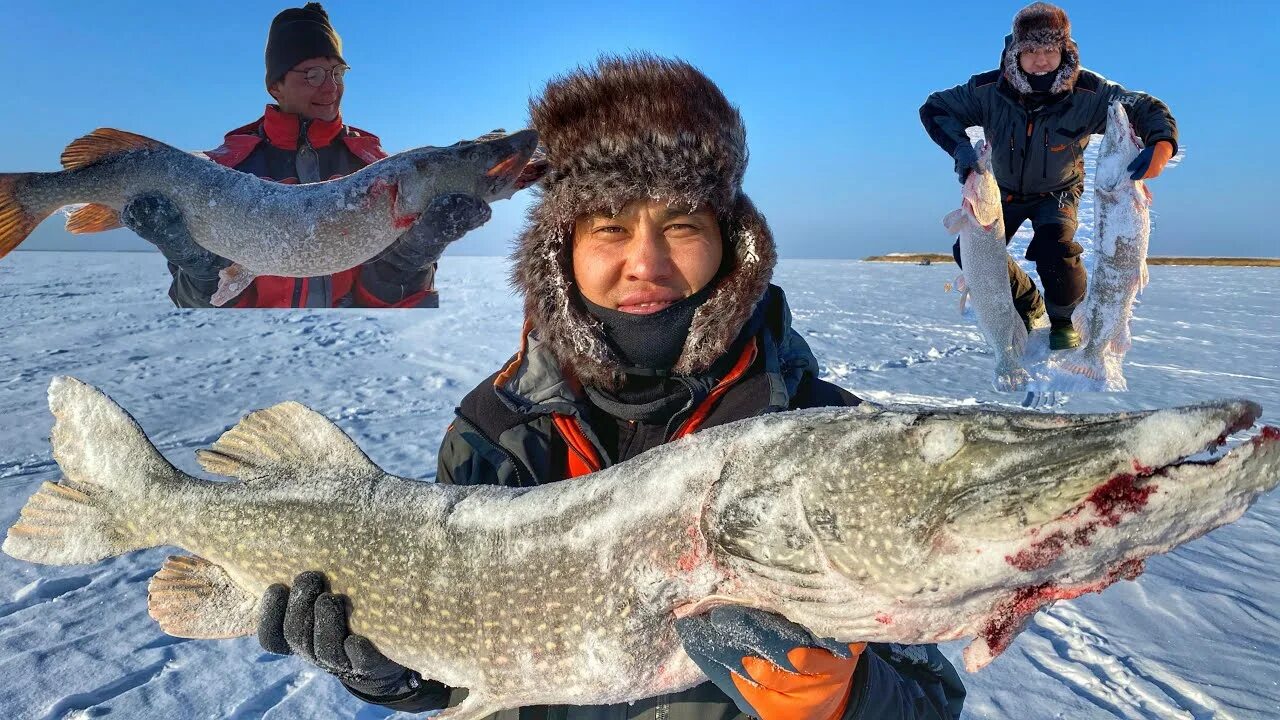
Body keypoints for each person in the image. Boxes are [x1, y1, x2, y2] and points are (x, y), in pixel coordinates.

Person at [255, 55, 967, 719]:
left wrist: (846, 702)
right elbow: (472, 676)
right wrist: (397, 672)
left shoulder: (833, 441)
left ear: (731, 242)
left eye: (682, 223)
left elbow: (933, 695)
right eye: (610, 227)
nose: (645, 262)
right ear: (562, 248)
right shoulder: (497, 435)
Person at [119, 2, 490, 308]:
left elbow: (390, 310)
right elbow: (198, 314)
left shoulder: (377, 170)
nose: (330, 87)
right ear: (275, 84)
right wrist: (200, 276)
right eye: (312, 74)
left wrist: (412, 262)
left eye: (337, 72)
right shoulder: (218, 171)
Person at [920, 2, 1178, 349]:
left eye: (1049, 49)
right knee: (968, 252)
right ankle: (1028, 304)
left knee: (1055, 250)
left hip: (1058, 190)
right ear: (1015, 51)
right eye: (1030, 51)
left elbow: (1145, 107)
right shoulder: (987, 90)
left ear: (1064, 50)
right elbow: (936, 108)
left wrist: (1162, 143)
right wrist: (962, 150)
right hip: (1002, 190)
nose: (1040, 59)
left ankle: (1064, 319)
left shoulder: (1089, 92)